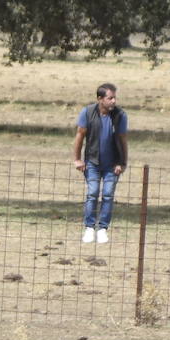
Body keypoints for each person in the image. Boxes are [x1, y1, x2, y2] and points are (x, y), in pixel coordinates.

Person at [71, 83, 128, 244]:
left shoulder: (120, 116)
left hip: (112, 164)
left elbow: (123, 140)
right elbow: (80, 136)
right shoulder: (88, 113)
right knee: (93, 193)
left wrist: (122, 162)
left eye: (115, 98)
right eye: (110, 98)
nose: (114, 101)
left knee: (108, 195)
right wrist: (77, 159)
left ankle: (103, 228)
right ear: (100, 99)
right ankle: (89, 228)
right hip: (93, 163)